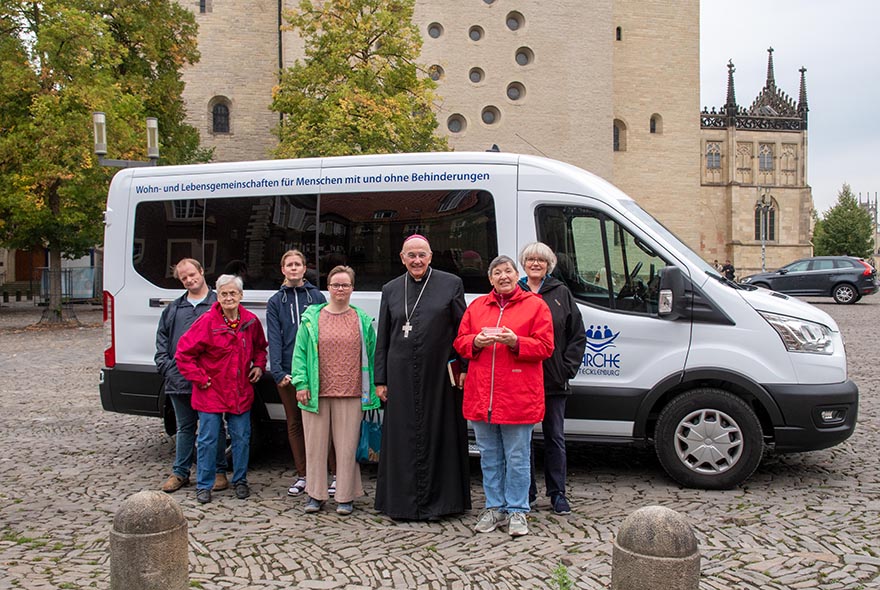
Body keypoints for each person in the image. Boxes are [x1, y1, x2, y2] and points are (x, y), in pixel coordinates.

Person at [454, 255, 554, 537]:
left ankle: (518, 510)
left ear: (516, 274)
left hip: (517, 395)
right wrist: (474, 341)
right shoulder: (477, 307)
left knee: (518, 456)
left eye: (508, 271)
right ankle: (494, 506)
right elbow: (460, 342)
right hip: (482, 394)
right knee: (489, 456)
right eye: (497, 273)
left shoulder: (536, 306)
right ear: (491, 279)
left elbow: (546, 346)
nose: (503, 276)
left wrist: (515, 342)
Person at [374, 235, 471, 521]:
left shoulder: (451, 283)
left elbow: (462, 330)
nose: (417, 260)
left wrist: (463, 367)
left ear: (430, 257)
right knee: (402, 438)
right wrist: (381, 379)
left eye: (422, 255)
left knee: (439, 434)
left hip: (439, 375)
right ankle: (402, 505)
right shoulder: (391, 289)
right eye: (411, 255)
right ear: (403, 258)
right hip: (400, 376)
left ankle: (440, 504)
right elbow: (383, 338)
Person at [291, 266, 379, 516]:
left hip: (351, 392)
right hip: (316, 393)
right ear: (327, 288)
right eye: (335, 285)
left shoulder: (361, 318)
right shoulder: (312, 317)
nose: (340, 289)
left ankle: (345, 496)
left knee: (347, 447)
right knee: (315, 447)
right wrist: (301, 383)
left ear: (352, 288)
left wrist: (374, 386)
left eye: (345, 285)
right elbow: (300, 354)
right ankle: (315, 494)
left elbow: (371, 356)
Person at [175, 274, 268, 504]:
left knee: (242, 437)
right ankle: (204, 485)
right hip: (211, 390)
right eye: (224, 293)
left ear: (241, 296)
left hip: (240, 390)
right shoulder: (207, 322)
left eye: (233, 293)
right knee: (208, 439)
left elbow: (260, 348)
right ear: (218, 295)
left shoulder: (250, 321)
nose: (228, 298)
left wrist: (258, 365)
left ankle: (240, 480)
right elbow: (183, 354)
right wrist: (199, 377)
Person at [517, 242, 586, 515]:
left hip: (553, 380)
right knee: (522, 439)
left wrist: (566, 369)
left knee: (554, 437)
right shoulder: (515, 291)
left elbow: (577, 335)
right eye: (531, 259)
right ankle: (527, 492)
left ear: (549, 265)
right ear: (523, 263)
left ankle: (557, 493)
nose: (535, 263)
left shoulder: (560, 293)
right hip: (521, 379)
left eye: (541, 260)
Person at [155, 258, 228, 493]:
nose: (189, 279)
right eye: (184, 277)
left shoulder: (218, 302)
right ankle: (180, 472)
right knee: (185, 427)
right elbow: (162, 341)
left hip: (210, 381)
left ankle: (219, 472)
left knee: (214, 427)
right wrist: (166, 367)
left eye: (191, 274)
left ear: (201, 272)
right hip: (179, 380)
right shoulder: (174, 308)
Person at [266, 250, 326, 497]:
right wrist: (279, 372)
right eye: (289, 264)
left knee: (322, 423)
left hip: (315, 372)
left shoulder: (317, 296)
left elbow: (324, 334)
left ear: (304, 269)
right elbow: (275, 338)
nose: (293, 268)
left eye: (297, 264)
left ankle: (328, 473)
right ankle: (303, 474)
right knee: (294, 423)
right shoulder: (275, 302)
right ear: (283, 269)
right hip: (289, 373)